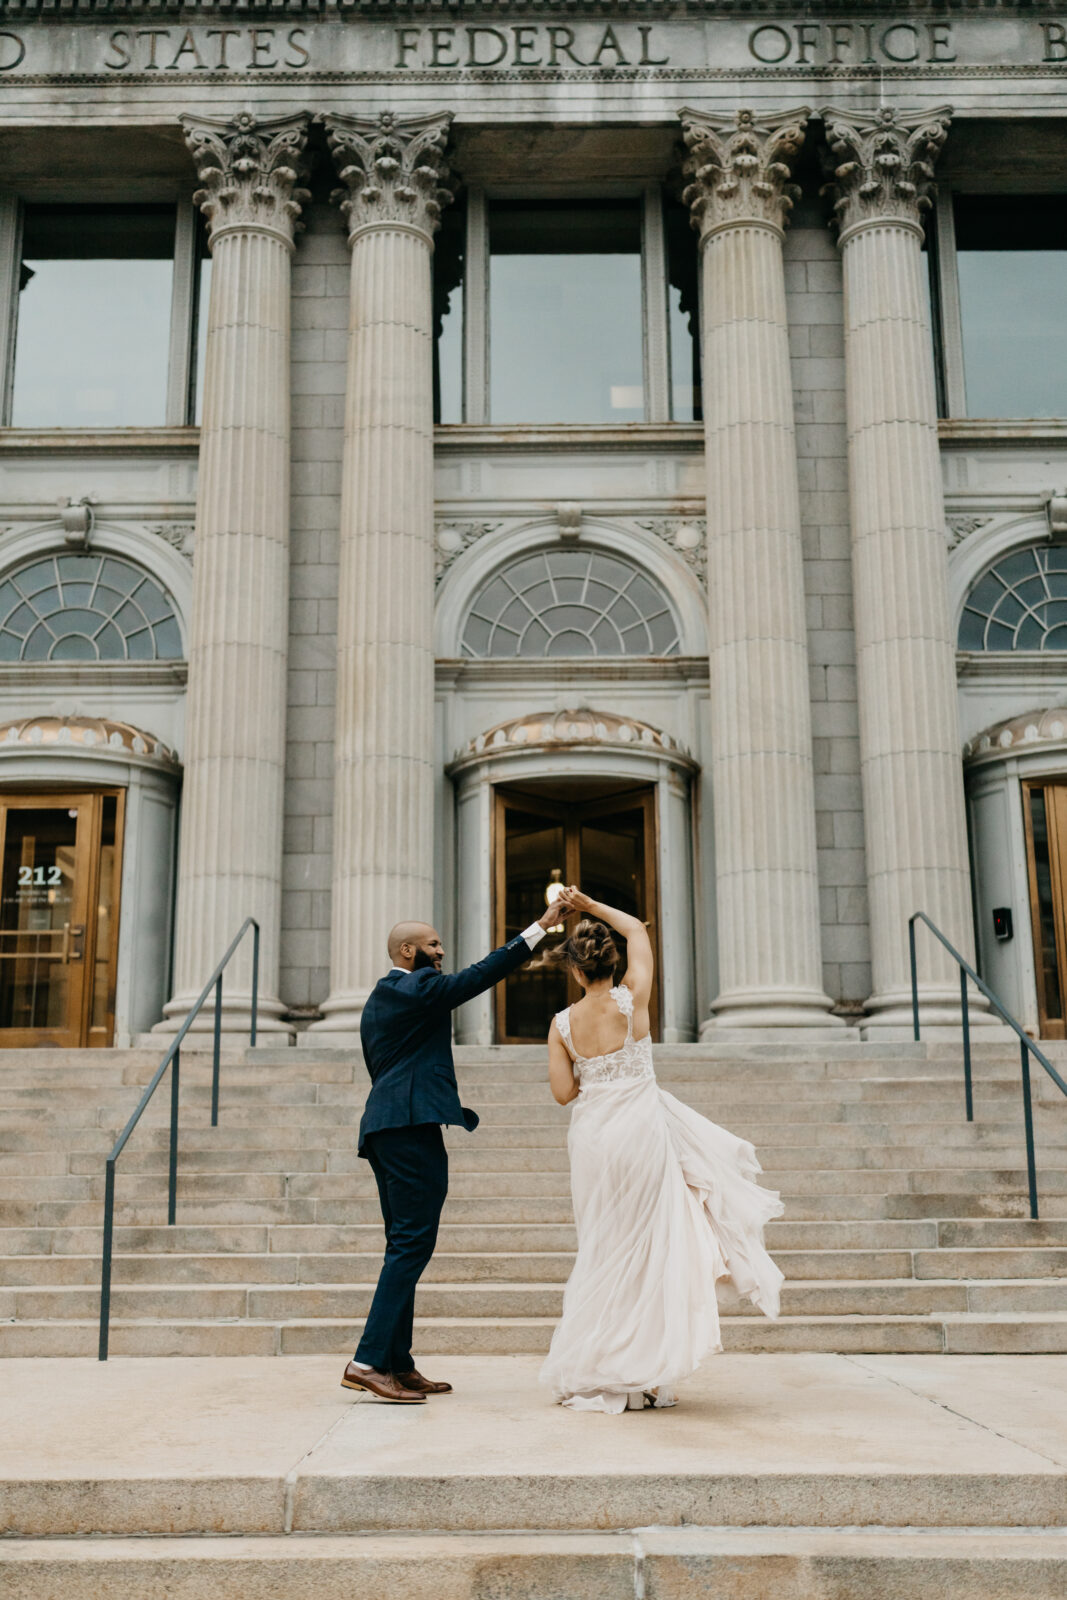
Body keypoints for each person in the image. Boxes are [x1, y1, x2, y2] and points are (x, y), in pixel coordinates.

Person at [539, 889, 784, 1413]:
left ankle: (604, 1362)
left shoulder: (561, 1025)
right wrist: (589, 903)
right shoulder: (634, 998)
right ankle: (646, 1370)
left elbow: (563, 1094)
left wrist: (593, 1074)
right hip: (642, 1133)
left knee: (603, 1248)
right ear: (610, 963)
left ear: (577, 973)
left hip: (594, 1141)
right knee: (649, 1250)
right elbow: (638, 931)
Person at [341, 895, 577, 1404]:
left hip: (387, 1128)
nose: (441, 952)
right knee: (411, 1245)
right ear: (407, 951)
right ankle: (366, 1362)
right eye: (432, 944)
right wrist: (537, 929)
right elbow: (477, 977)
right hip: (409, 1127)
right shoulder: (417, 986)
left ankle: (396, 1363)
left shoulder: (382, 998)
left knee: (404, 1245)